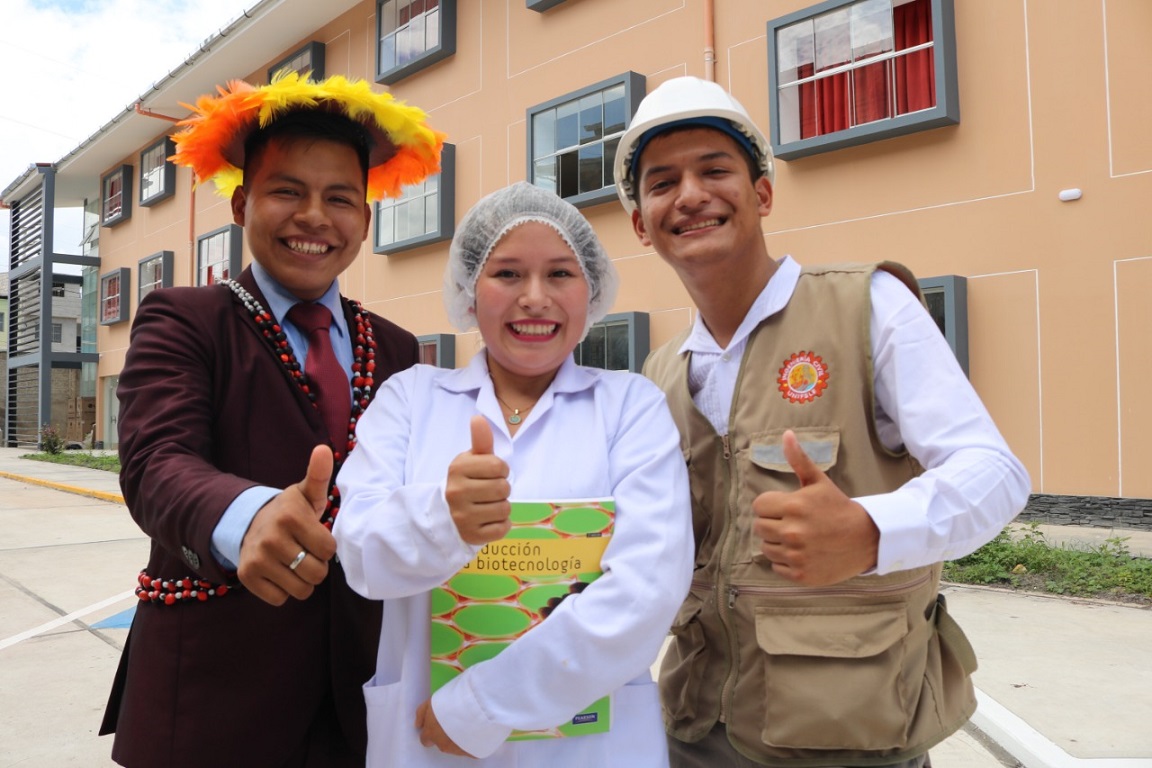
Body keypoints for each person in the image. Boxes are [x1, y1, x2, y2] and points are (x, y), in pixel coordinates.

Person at [613, 76, 1032, 768]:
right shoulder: (658, 376)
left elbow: (995, 474)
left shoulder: (868, 309)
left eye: (715, 170)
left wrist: (871, 533)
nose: (689, 195)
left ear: (764, 193)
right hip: (692, 735)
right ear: (641, 222)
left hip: (852, 738)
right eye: (662, 183)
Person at [99, 73, 444, 767]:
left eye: (340, 198)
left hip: (359, 705)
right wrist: (246, 515)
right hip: (209, 709)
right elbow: (156, 462)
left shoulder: (400, 349)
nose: (314, 216)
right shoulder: (182, 318)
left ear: (365, 221)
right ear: (240, 202)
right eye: (287, 191)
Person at [332, 181, 695, 767]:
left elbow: (648, 588)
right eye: (506, 274)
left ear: (591, 290)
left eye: (559, 274)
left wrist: (481, 707)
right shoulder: (411, 398)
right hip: (430, 746)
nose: (535, 298)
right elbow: (360, 556)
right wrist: (441, 519)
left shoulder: (631, 406)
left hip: (589, 748)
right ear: (468, 290)